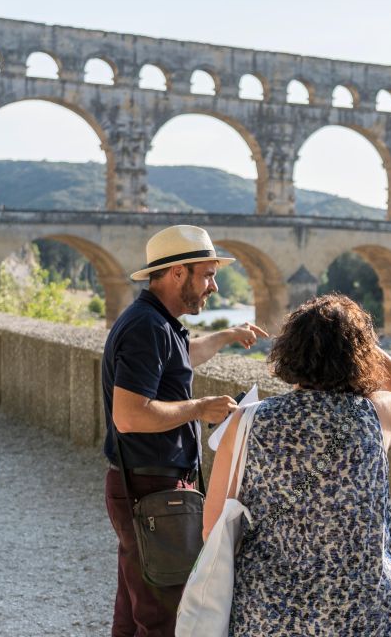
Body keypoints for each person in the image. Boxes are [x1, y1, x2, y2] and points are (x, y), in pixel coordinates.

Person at [202, 294, 391, 636]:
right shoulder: (377, 414)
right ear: (360, 357)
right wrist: (368, 347)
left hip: (268, 608)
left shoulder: (246, 422)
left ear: (288, 351)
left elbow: (212, 529)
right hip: (361, 610)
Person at [103, 224, 268, 637]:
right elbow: (130, 415)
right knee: (165, 613)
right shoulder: (148, 328)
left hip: (148, 482)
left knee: (135, 607)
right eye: (208, 274)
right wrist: (201, 408)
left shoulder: (158, 322)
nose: (213, 285)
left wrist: (226, 336)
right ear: (178, 273)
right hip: (152, 487)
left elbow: (181, 357)